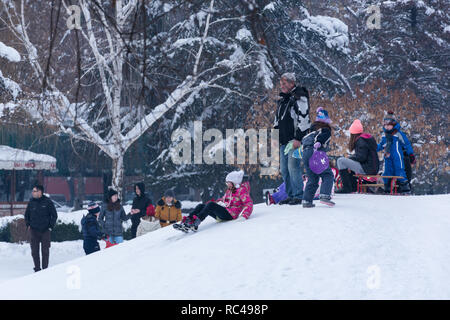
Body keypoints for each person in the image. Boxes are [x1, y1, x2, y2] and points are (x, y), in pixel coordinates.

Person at [274, 72, 311, 205]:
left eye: (285, 83)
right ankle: (290, 194)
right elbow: (277, 120)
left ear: (292, 83)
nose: (282, 86)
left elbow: (304, 119)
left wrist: (298, 138)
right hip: (284, 141)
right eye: (281, 83)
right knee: (284, 169)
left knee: (293, 166)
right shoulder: (283, 99)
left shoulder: (299, 97)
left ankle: (298, 195)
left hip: (295, 140)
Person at [175, 170, 253, 232]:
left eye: (228, 183)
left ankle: (195, 223)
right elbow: (224, 200)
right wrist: (217, 202)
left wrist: (244, 216)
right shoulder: (230, 190)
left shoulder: (241, 190)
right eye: (227, 183)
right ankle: (188, 221)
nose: (227, 184)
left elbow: (248, 203)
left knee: (211, 205)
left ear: (234, 182)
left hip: (230, 215)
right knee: (201, 206)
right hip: (225, 211)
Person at [301, 108, 335, 208]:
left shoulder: (310, 132)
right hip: (316, 152)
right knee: (327, 174)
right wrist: (319, 142)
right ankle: (324, 195)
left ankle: (306, 200)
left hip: (305, 153)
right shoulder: (326, 129)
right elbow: (322, 137)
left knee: (312, 178)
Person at [336, 119, 380, 193]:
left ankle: (346, 187)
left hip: (367, 169)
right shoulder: (365, 138)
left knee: (340, 161)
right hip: (372, 168)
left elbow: (361, 157)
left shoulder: (361, 140)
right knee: (348, 162)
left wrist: (350, 158)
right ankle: (353, 187)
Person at [377, 111, 415, 194]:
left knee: (399, 171)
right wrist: (374, 148)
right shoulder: (384, 135)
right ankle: (386, 188)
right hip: (387, 157)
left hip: (397, 157)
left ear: (393, 125)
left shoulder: (398, 134)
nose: (387, 127)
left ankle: (405, 189)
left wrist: (411, 155)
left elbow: (407, 144)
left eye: (389, 125)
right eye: (385, 125)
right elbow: (381, 145)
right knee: (387, 172)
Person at [24, 184, 58, 272]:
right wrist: (28, 225)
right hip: (34, 230)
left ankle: (45, 269)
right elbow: (26, 215)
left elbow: (54, 215)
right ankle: (37, 268)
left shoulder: (48, 202)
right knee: (34, 252)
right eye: (33, 191)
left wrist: (50, 227)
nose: (32, 193)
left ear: (40, 192)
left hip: (45, 230)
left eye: (34, 191)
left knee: (45, 251)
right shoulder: (31, 202)